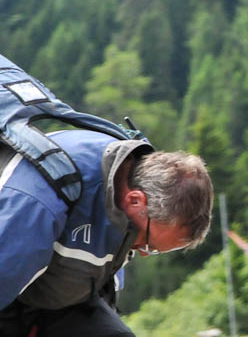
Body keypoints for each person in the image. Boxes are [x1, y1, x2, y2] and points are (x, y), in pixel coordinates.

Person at [0, 128, 213, 337]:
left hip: (56, 303)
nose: (144, 252)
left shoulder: (125, 198)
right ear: (135, 200)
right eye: (148, 244)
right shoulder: (39, 201)